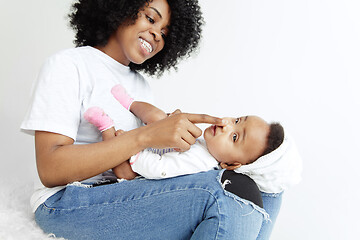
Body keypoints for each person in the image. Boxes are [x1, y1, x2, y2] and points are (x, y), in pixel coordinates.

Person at [20, 0, 287, 239]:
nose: (156, 35)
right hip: (66, 203)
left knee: (267, 189)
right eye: (151, 18)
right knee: (227, 192)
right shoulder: (69, 65)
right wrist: (146, 136)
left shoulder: (140, 87)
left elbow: (149, 160)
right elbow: (50, 169)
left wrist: (172, 140)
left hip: (125, 190)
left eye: (164, 33)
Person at [84, 84, 302, 196]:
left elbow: (159, 169)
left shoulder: (201, 162)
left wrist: (133, 149)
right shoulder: (206, 144)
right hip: (153, 147)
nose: (227, 124)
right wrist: (170, 122)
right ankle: (129, 102)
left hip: (140, 173)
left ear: (231, 165)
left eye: (234, 136)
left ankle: (106, 126)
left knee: (125, 173)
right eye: (236, 120)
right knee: (161, 116)